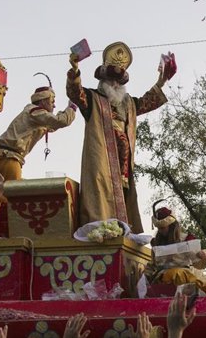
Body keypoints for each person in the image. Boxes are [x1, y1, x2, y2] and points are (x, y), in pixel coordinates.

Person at [66, 41, 176, 231]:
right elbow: (75, 93)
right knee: (100, 200)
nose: (114, 84)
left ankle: (121, 233)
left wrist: (161, 81)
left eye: (118, 81)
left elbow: (147, 101)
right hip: (101, 164)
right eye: (111, 80)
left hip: (124, 167)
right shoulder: (92, 99)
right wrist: (74, 69)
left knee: (123, 201)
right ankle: (100, 233)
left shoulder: (129, 105)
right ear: (103, 80)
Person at [0, 85, 77, 181]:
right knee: (12, 194)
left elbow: (54, 125)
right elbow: (60, 121)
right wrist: (72, 107)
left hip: (6, 157)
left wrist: (67, 109)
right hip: (9, 158)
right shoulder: (35, 112)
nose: (54, 106)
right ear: (43, 101)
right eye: (52, 101)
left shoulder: (35, 115)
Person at [150, 205, 206, 292]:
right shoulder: (155, 243)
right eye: (159, 228)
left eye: (163, 228)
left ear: (171, 226)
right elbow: (152, 264)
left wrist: (202, 255)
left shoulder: (186, 239)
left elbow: (197, 264)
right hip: (162, 277)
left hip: (184, 275)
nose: (160, 231)